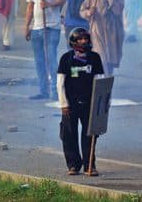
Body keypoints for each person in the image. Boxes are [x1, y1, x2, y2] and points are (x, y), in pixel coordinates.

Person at [57, 27, 104, 176]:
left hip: (89, 103)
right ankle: (73, 165)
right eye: (80, 39)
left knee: (90, 135)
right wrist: (64, 104)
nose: (84, 41)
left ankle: (89, 165)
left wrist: (100, 103)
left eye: (85, 39)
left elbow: (100, 80)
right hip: (70, 104)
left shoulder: (95, 58)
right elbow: (60, 83)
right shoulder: (66, 58)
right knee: (68, 134)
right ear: (73, 42)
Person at [25, 0, 66, 100]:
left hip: (51, 27)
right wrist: (27, 26)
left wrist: (50, 4)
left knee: (51, 60)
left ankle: (55, 92)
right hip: (37, 27)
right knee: (39, 61)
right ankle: (43, 91)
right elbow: (30, 6)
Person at [80, 0, 125, 76]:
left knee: (110, 63)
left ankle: (105, 87)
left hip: (114, 34)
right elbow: (82, 11)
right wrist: (89, 12)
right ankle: (98, 85)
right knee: (101, 60)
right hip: (97, 32)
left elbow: (118, 11)